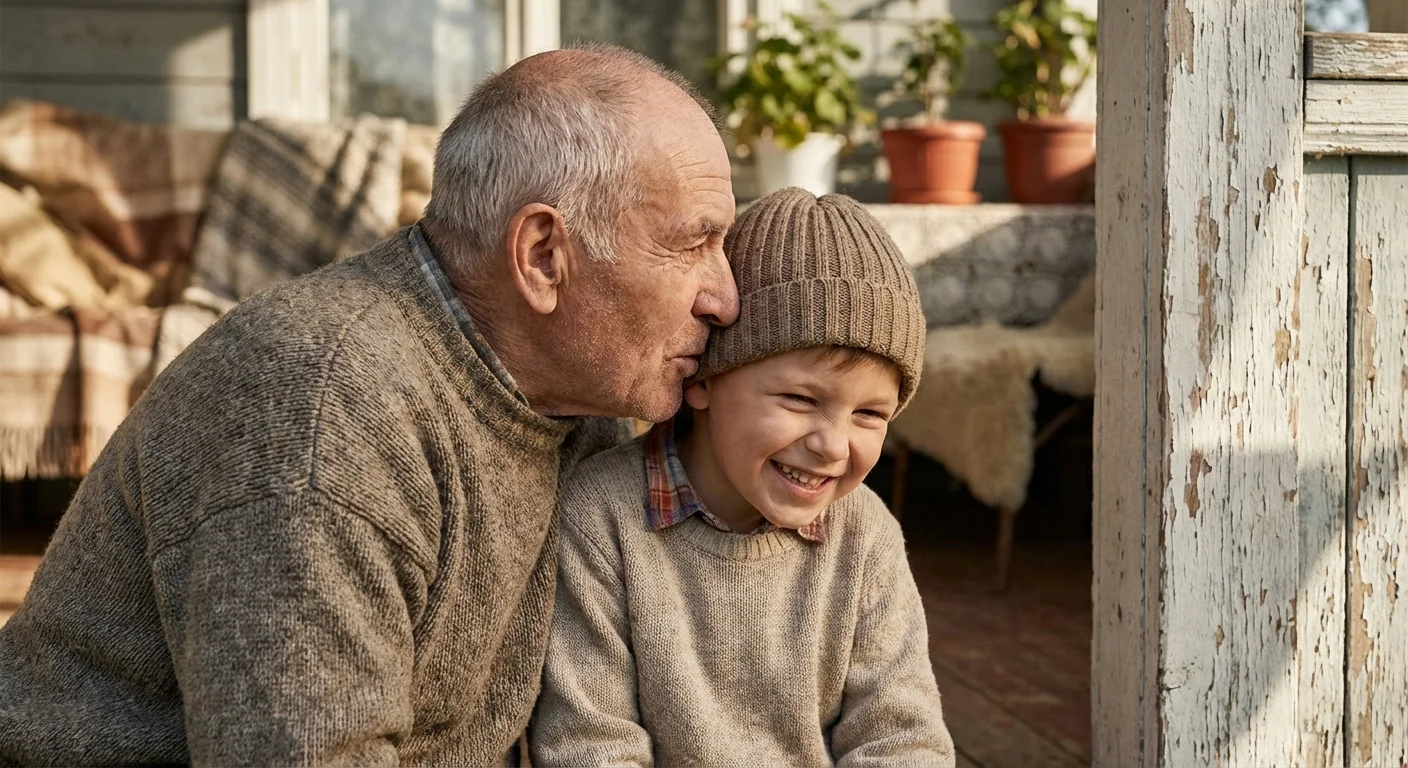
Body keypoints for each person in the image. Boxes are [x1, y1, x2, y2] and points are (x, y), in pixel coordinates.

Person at [0, 45, 738, 766]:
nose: (725, 297)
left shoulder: (581, 400)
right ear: (543, 255)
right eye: (694, 244)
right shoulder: (323, 412)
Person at [530, 188, 955, 766]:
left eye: (869, 414)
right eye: (800, 399)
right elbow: (589, 743)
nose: (832, 445)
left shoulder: (866, 537)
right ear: (704, 379)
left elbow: (903, 740)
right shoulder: (601, 520)